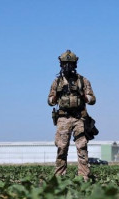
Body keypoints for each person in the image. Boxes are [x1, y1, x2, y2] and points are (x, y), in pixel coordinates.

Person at [47, 50, 96, 180]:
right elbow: (50, 101)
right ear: (61, 65)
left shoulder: (83, 81)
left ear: (75, 65)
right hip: (63, 119)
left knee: (82, 147)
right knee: (62, 148)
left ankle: (84, 176)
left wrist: (82, 95)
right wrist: (56, 95)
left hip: (79, 118)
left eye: (70, 64)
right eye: (65, 64)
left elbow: (93, 100)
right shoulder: (56, 82)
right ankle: (59, 177)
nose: (67, 66)